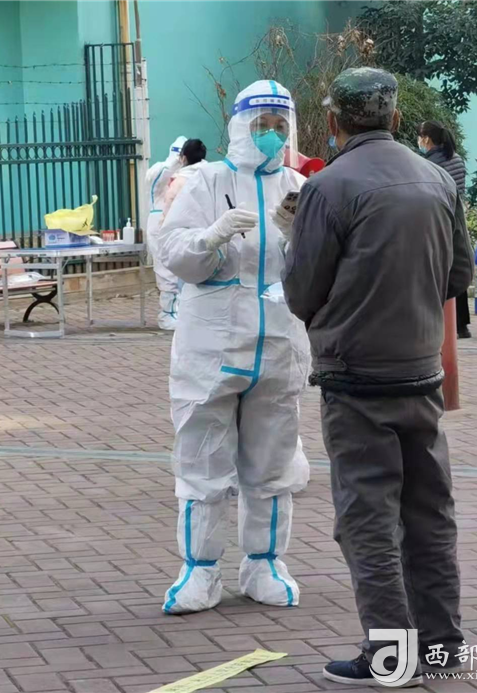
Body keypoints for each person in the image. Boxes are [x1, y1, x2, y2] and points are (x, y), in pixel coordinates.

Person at [282, 67, 473, 687]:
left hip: (356, 378)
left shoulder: (328, 187)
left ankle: (392, 654)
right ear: (395, 118)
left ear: (333, 121)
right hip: (420, 373)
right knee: (429, 515)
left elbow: (301, 292)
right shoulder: (437, 179)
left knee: (368, 521)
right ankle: (442, 646)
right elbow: (458, 277)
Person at [158, 80, 310, 614]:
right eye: (261, 124)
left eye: (280, 126)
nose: (270, 135)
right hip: (211, 346)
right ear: (240, 125)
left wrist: (297, 236)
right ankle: (199, 570)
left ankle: (264, 563)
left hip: (278, 342)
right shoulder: (205, 181)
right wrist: (212, 236)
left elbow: (317, 269)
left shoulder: (298, 186)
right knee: (202, 460)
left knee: (272, 462)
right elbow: (175, 253)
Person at [417, 120, 471, 339]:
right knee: (456, 268)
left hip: (437, 220)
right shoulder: (455, 158)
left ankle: (441, 322)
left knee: (439, 270)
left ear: (426, 139)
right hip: (455, 219)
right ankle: (461, 325)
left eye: (420, 136)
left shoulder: (429, 164)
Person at [145, 135, 188, 331]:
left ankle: (179, 311)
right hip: (160, 227)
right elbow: (160, 177)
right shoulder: (159, 170)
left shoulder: (187, 174)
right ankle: (167, 314)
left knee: (183, 270)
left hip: (178, 225)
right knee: (166, 272)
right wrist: (175, 161)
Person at [161, 139, 208, 220]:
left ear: (184, 159)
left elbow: (167, 211)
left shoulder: (178, 182)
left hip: (182, 225)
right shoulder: (209, 177)